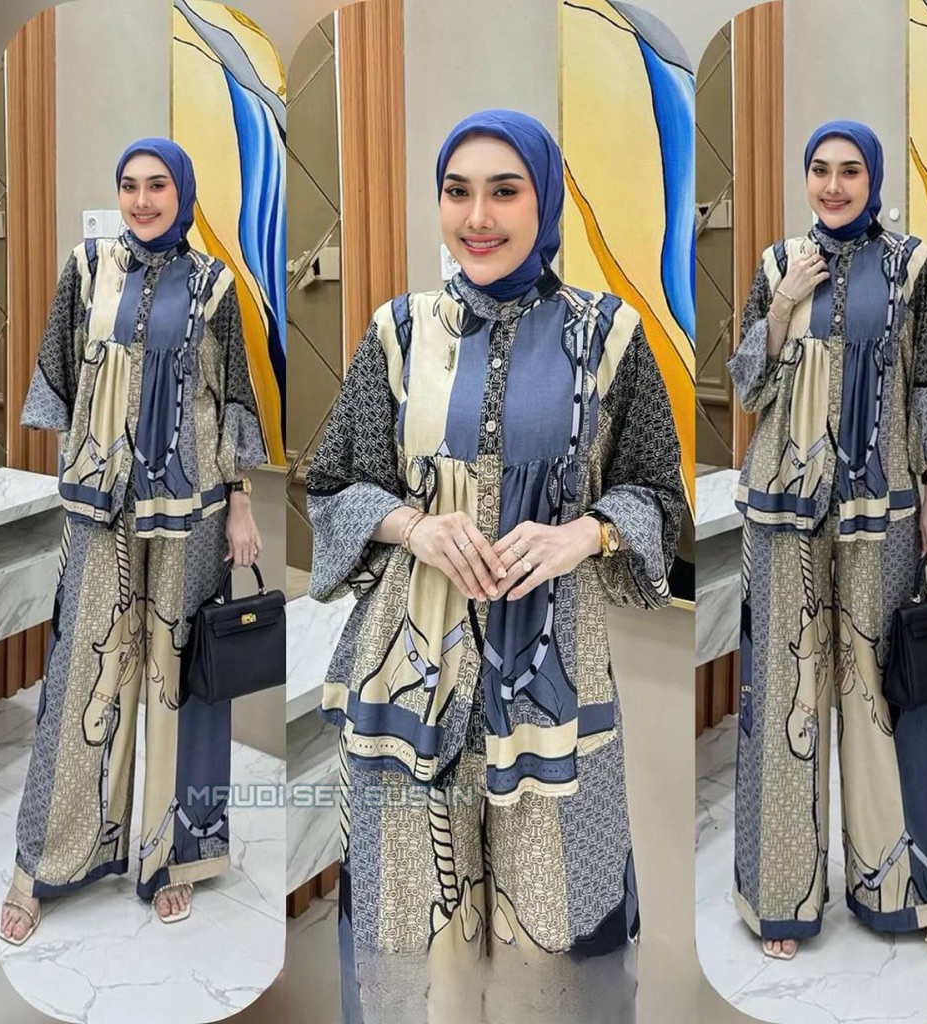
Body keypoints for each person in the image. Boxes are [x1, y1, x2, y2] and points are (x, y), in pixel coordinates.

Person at [305, 109, 683, 1022]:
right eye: (457, 191)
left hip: (555, 678)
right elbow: (332, 484)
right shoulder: (397, 332)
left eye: (504, 192)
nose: (477, 216)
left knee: (555, 929)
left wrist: (582, 535)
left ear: (542, 201)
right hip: (409, 671)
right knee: (414, 931)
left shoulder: (609, 337)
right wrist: (411, 527)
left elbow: (659, 495)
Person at [0, 138, 266, 944]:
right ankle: (46, 864)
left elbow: (231, 397)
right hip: (100, 510)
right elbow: (59, 375)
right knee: (82, 679)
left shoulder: (215, 284)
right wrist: (91, 459)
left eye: (157, 186)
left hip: (193, 509)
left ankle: (172, 860)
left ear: (181, 192)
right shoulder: (86, 269)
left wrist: (242, 504)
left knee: (179, 684)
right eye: (129, 185)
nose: (142, 199)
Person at [727, 120, 927, 965]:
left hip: (883, 513)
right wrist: (784, 301)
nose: (833, 185)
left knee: (888, 697)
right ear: (806, 178)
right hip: (782, 516)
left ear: (872, 179)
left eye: (850, 171)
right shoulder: (776, 264)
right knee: (785, 700)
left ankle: (920, 893)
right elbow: (747, 385)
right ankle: (781, 898)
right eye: (821, 170)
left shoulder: (911, 266)